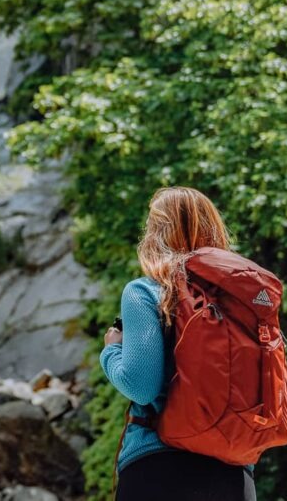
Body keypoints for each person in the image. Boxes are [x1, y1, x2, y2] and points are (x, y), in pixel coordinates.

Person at [101, 186, 257, 501]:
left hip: (159, 468)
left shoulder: (145, 291)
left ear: (156, 234)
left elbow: (140, 385)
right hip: (234, 473)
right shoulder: (244, 301)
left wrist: (111, 351)